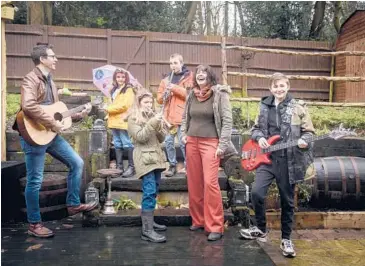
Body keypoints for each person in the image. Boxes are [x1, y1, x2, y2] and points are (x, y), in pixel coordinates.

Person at [12, 43, 97, 238]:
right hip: (34, 136)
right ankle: (34, 224)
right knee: (35, 181)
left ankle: (73, 203)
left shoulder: (51, 81)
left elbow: (57, 113)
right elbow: (28, 106)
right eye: (52, 56)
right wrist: (52, 123)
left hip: (50, 135)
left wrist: (79, 115)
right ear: (42, 59)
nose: (56, 59)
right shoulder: (30, 79)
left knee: (77, 163)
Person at [239, 73, 315, 258]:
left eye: (282, 86)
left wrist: (305, 140)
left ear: (287, 86)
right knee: (256, 192)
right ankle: (260, 228)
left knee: (287, 201)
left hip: (288, 161)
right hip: (266, 159)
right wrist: (260, 138)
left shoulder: (298, 107)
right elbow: (255, 129)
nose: (279, 89)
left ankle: (286, 239)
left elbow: (310, 132)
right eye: (275, 86)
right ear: (271, 88)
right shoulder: (264, 105)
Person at [181, 65, 237, 241]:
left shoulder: (220, 95)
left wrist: (223, 144)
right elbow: (185, 117)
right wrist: (183, 133)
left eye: (203, 73)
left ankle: (215, 226)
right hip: (192, 142)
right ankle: (198, 220)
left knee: (210, 183)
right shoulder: (192, 94)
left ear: (210, 77)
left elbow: (227, 121)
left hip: (211, 144)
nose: (200, 75)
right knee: (194, 182)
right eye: (198, 73)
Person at [128, 90, 168, 243]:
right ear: (138, 103)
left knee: (155, 189)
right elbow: (141, 137)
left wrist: (161, 126)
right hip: (144, 158)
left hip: (155, 157)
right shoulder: (133, 119)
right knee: (149, 191)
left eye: (150, 102)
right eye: (145, 102)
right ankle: (147, 231)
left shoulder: (152, 116)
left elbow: (161, 138)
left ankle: (150, 223)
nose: (149, 105)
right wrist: (152, 123)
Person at [157, 53, 193, 177]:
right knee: (168, 142)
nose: (173, 66)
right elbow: (159, 99)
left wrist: (174, 88)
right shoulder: (166, 80)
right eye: (171, 63)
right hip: (168, 117)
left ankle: (189, 166)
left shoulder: (189, 77)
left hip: (182, 116)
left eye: (175, 63)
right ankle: (172, 165)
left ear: (181, 64)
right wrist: (164, 96)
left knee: (184, 143)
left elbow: (189, 95)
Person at [105, 69, 135, 177]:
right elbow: (110, 103)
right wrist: (108, 96)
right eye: (118, 77)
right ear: (115, 78)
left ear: (126, 78)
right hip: (113, 120)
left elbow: (125, 105)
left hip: (122, 119)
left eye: (122, 77)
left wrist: (109, 109)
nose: (120, 79)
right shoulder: (113, 90)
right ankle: (119, 167)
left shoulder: (128, 90)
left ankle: (132, 167)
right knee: (117, 143)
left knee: (126, 142)